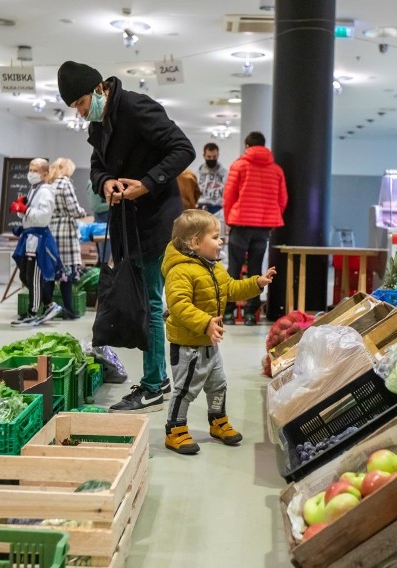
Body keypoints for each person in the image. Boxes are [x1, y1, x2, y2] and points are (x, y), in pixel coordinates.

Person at [58, 60, 196, 413]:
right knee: (142, 299)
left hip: (154, 220)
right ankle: (159, 377)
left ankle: (152, 387)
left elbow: (183, 149)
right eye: (75, 108)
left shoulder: (136, 107)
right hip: (127, 222)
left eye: (80, 104)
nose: (80, 112)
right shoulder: (100, 125)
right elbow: (97, 167)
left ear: (98, 88)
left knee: (150, 302)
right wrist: (105, 182)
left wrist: (146, 184)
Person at [162, 209, 276, 454]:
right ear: (195, 242)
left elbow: (231, 289)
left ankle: (218, 421)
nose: (220, 241)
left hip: (209, 344)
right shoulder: (180, 271)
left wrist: (255, 283)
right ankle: (175, 430)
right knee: (185, 389)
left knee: (218, 384)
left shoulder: (214, 268)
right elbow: (179, 305)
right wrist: (206, 322)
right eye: (215, 237)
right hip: (187, 346)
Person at [222, 131, 288, 326]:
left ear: (247, 146)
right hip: (263, 227)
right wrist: (270, 216)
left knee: (233, 268)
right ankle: (251, 314)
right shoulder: (276, 170)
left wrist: (229, 219)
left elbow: (229, 196)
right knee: (256, 270)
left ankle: (229, 313)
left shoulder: (239, 165)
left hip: (240, 224)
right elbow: (282, 200)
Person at [10, 158, 63, 327]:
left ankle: (33, 312)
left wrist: (27, 210)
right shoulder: (34, 189)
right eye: (30, 169)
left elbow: (43, 216)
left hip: (39, 240)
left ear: (45, 174)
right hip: (29, 239)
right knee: (24, 274)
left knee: (33, 277)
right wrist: (21, 209)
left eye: (35, 170)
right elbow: (29, 215)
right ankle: (49, 304)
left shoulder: (46, 191)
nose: (31, 173)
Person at [46, 157, 86, 319]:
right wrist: (82, 212)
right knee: (66, 274)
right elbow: (74, 209)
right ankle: (69, 311)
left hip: (51, 230)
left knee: (52, 273)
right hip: (65, 233)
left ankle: (49, 307)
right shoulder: (65, 183)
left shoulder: (49, 184)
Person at [197, 142, 228, 247]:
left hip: (219, 209)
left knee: (220, 242)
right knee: (201, 241)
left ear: (218, 155)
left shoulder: (224, 173)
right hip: (202, 210)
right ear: (204, 156)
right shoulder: (198, 173)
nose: (211, 159)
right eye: (209, 157)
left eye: (214, 156)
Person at [86, 179, 111, 265]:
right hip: (103, 224)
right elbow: (96, 206)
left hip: (106, 223)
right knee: (104, 259)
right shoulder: (94, 183)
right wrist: (114, 202)